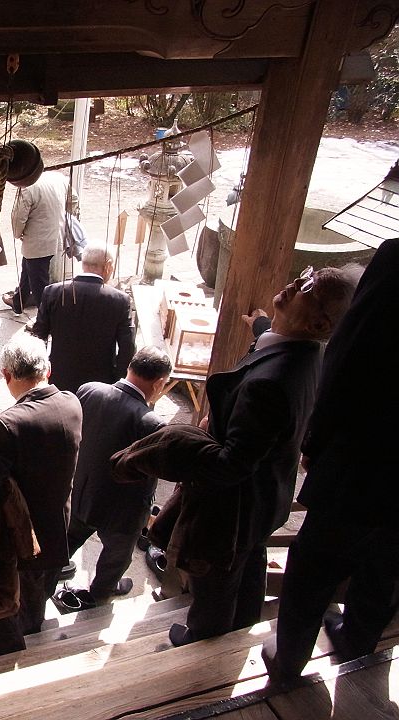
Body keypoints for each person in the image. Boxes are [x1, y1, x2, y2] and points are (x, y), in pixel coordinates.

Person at [114, 265, 359, 647]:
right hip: (267, 498)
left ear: (318, 323)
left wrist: (177, 443)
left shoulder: (269, 385)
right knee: (250, 561)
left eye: (308, 286)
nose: (296, 281)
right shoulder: (308, 353)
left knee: (216, 579)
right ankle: (244, 625)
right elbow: (274, 347)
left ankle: (204, 640)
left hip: (233, 511)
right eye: (305, 273)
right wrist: (261, 326)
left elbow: (232, 464)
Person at [261, 240, 398, 681]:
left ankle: (288, 660)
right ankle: (358, 646)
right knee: (387, 563)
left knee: (315, 564)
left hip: (368, 454)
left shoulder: (395, 261)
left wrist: (317, 442)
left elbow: (351, 356)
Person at [0, 333, 83, 658]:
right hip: (56, 529)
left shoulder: (7, 428)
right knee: (36, 597)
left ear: (6, 375)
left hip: (19, 538)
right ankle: (31, 630)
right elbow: (36, 439)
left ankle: (9, 651)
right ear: (48, 370)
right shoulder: (71, 403)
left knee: (4, 602)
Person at [63, 346, 172, 607]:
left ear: (130, 367)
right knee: (116, 556)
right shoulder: (153, 424)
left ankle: (46, 577)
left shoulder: (89, 390)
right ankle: (102, 591)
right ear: (159, 383)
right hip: (122, 511)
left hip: (82, 491)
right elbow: (152, 473)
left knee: (66, 541)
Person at [29, 244, 136, 393]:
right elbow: (127, 348)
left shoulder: (53, 292)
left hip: (59, 377)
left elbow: (38, 337)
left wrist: (40, 373)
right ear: (108, 265)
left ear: (83, 264)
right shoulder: (120, 300)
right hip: (101, 383)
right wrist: (118, 381)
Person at [2, 170, 78, 315]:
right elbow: (74, 199)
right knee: (27, 270)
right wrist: (62, 217)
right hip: (56, 236)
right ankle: (18, 302)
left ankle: (45, 320)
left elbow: (18, 217)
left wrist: (18, 234)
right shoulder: (58, 178)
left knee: (39, 285)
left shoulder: (28, 186)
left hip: (37, 242)